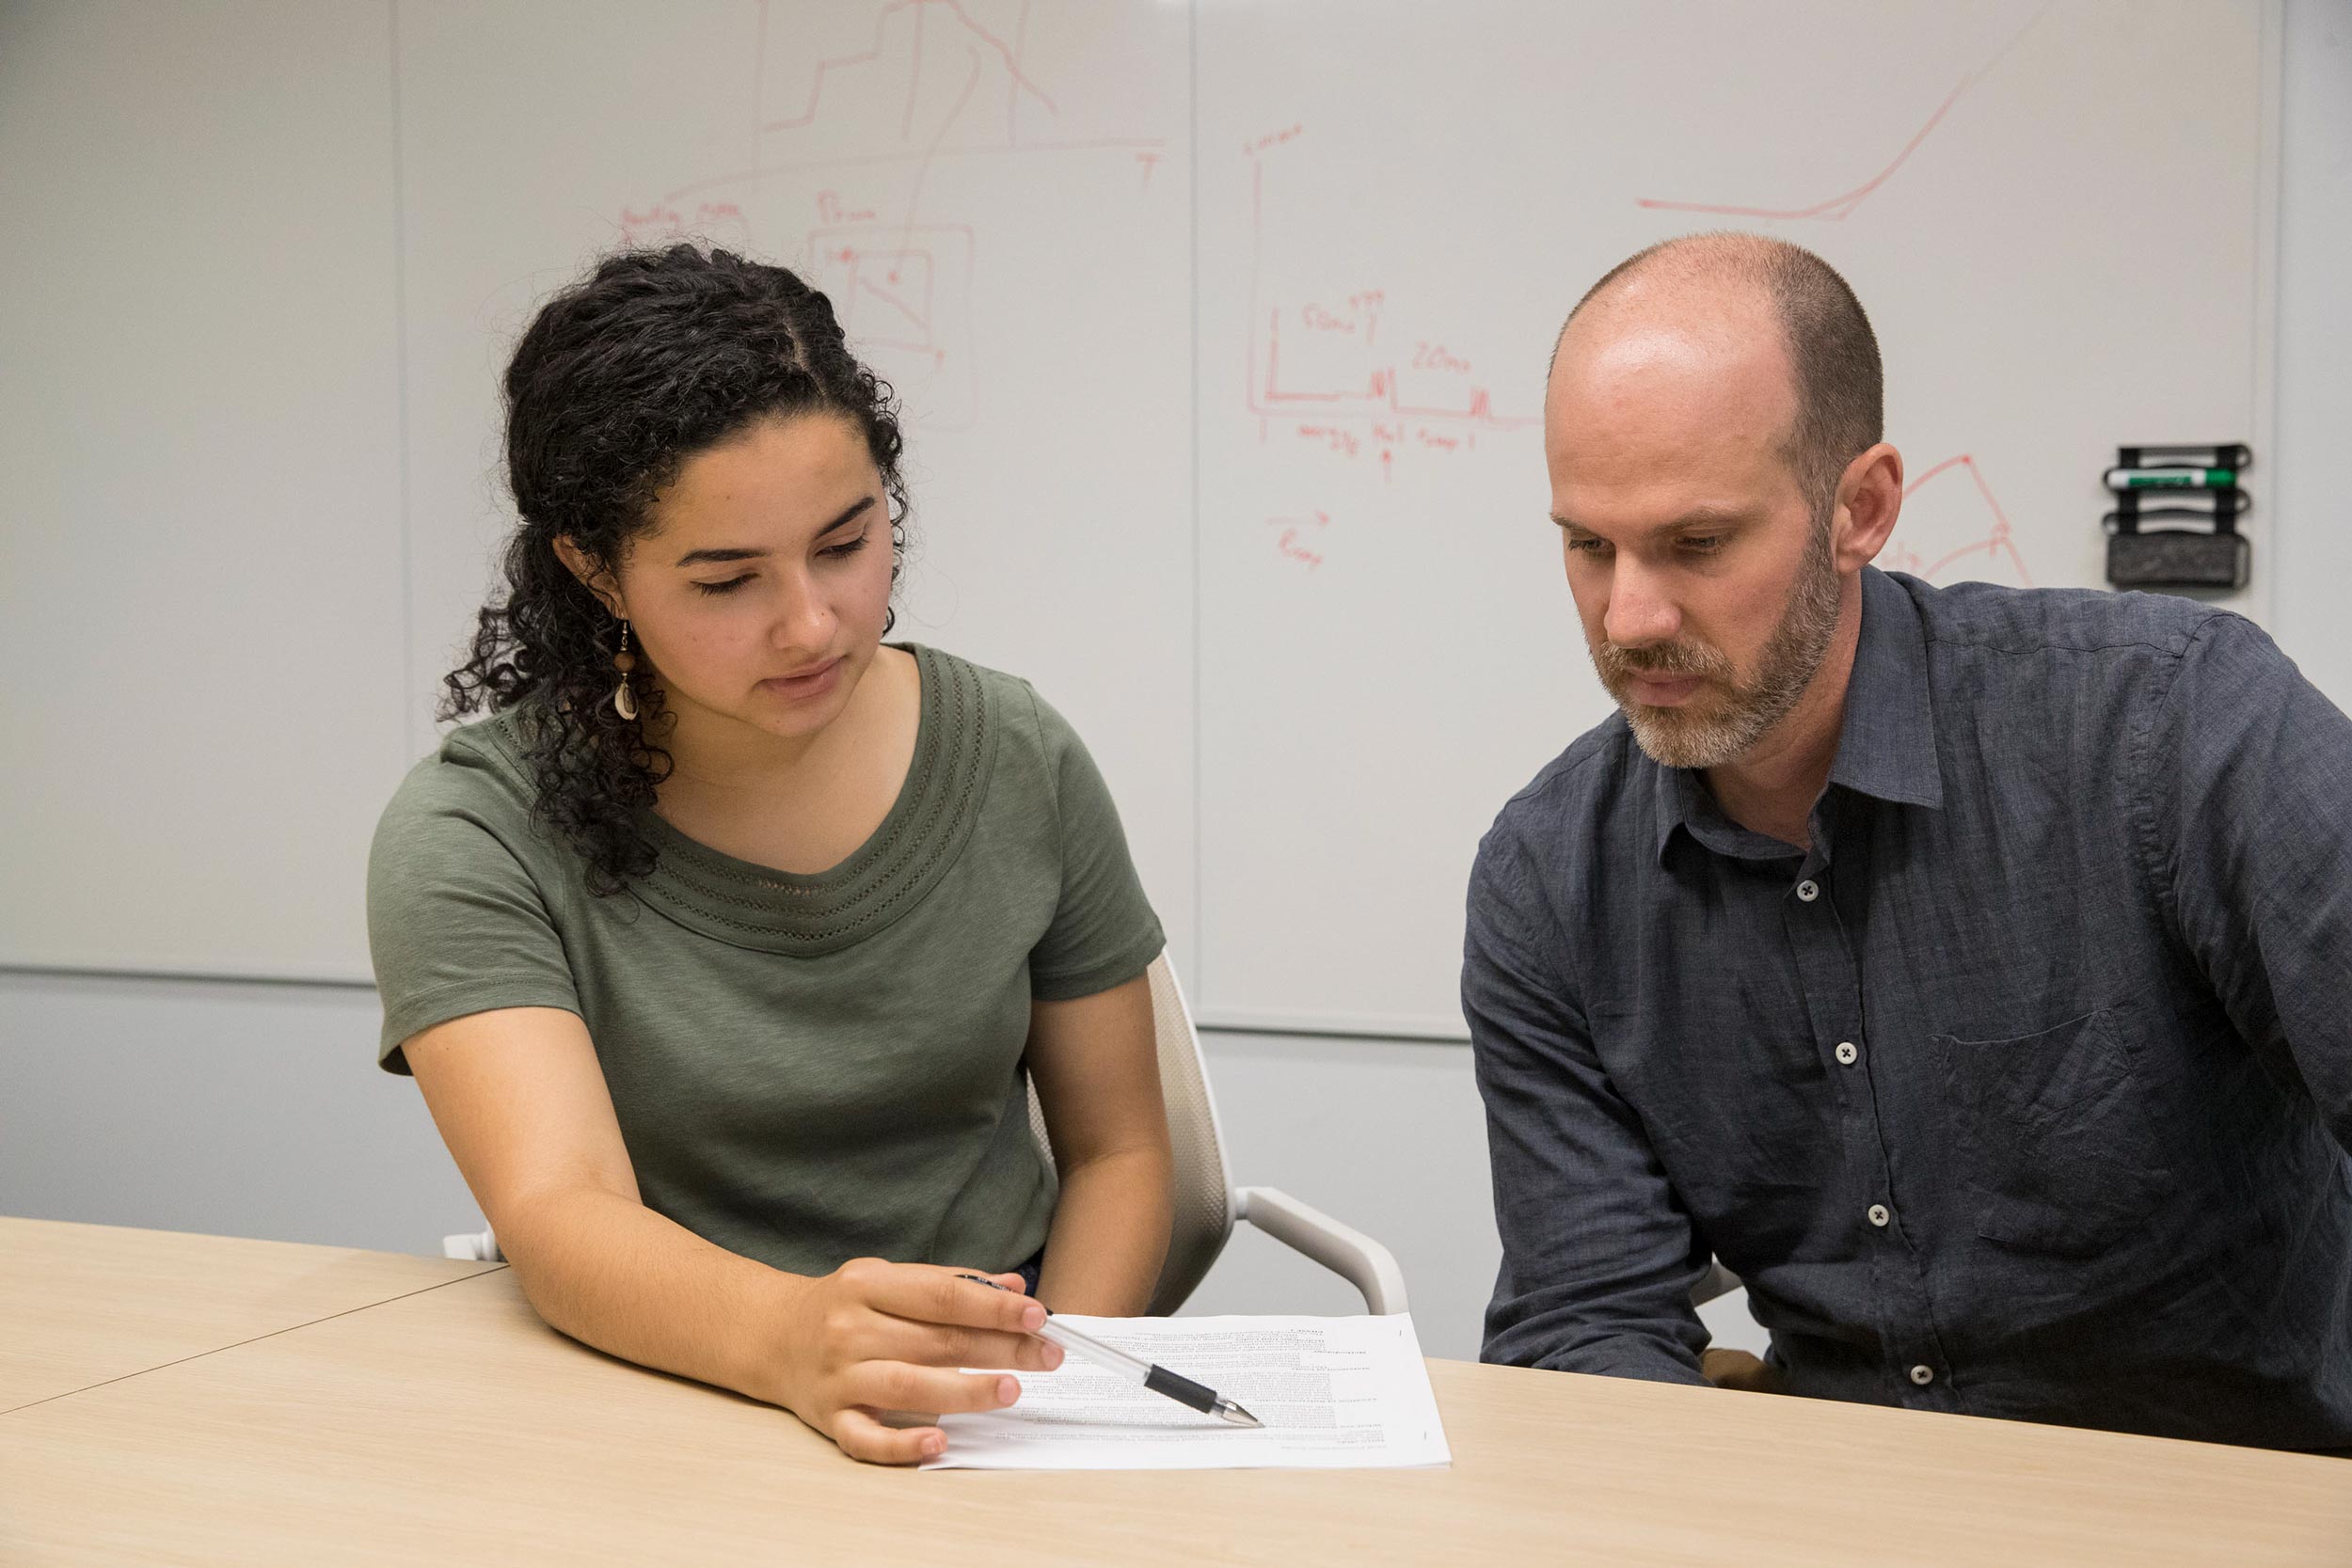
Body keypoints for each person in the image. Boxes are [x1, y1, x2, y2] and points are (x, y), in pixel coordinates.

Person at [1463, 231, 2352, 1450]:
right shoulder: (1549, 877)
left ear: (1861, 508)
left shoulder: (2172, 728)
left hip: (2236, 1485)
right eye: (1588, 545)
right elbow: (1584, 1316)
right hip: (1845, 1504)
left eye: (1699, 544)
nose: (1630, 616)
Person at [368, 245, 1174, 1465]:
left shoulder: (1017, 756)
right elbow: (560, 1208)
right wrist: (798, 1339)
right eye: (727, 579)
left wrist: (1048, 1391)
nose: (809, 623)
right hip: (667, 1393)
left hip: (986, 1405)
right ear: (594, 570)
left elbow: (1121, 1149)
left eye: (845, 545)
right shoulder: (474, 832)